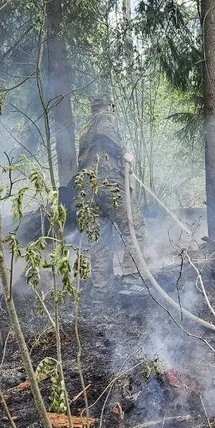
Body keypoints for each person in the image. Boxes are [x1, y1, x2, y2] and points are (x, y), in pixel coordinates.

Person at [65, 94, 148, 297]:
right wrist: (124, 153)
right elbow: (104, 134)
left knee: (99, 240)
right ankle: (131, 280)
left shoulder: (85, 129)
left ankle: (101, 290)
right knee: (134, 230)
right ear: (109, 106)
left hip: (87, 190)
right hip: (109, 185)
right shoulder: (103, 121)